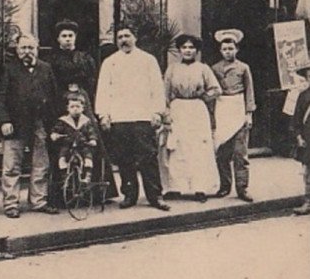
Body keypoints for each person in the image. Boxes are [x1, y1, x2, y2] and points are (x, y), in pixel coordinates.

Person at [95, 24, 170, 211]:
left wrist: (156, 112)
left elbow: (157, 88)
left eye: (127, 36)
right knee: (124, 158)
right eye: (119, 37)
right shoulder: (110, 62)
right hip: (119, 118)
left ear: (135, 37)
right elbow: (103, 90)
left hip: (143, 116)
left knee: (148, 157)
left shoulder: (148, 60)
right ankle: (129, 195)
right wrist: (104, 115)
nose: (123, 40)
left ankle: (155, 196)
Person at [49, 20, 118, 202]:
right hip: (63, 101)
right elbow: (52, 84)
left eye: (70, 36)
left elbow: (92, 81)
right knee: (65, 141)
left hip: (84, 99)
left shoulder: (85, 58)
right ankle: (65, 193)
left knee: (90, 139)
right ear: (58, 39)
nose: (67, 39)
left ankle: (96, 191)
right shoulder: (53, 60)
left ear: (75, 38)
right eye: (64, 36)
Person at [0, 33, 60, 218]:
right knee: (12, 166)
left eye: (31, 48)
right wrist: (4, 121)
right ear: (17, 50)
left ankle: (38, 201)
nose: (27, 52)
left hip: (40, 124)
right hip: (15, 124)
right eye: (23, 48)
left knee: (41, 164)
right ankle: (11, 204)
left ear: (37, 49)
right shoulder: (9, 69)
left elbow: (54, 97)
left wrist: (53, 126)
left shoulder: (46, 68)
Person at [160, 34, 222, 202]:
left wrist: (203, 96)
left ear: (196, 50)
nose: (188, 51)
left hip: (197, 110)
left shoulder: (203, 68)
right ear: (180, 50)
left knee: (198, 149)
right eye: (184, 47)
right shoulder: (172, 69)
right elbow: (164, 93)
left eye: (191, 48)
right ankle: (174, 188)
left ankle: (199, 188)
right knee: (176, 148)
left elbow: (216, 89)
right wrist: (166, 114)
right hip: (178, 109)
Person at [211, 29, 256, 202]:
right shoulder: (214, 68)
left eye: (231, 48)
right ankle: (224, 186)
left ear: (236, 50)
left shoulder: (244, 68)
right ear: (220, 51)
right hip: (222, 108)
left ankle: (242, 188)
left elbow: (249, 92)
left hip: (238, 107)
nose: (228, 52)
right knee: (222, 152)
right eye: (225, 49)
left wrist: (249, 114)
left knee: (240, 153)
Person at [50, 92, 98, 182]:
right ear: (67, 109)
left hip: (82, 144)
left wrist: (92, 139)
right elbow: (57, 129)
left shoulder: (86, 121)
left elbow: (91, 131)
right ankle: (64, 176)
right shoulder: (63, 121)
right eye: (72, 107)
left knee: (88, 157)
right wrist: (55, 134)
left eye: (78, 107)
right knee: (62, 157)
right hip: (67, 144)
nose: (75, 109)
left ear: (83, 108)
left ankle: (87, 176)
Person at [290, 58, 310, 215]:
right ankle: (308, 202)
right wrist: (299, 137)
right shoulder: (303, 96)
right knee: (308, 172)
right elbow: (296, 119)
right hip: (309, 140)